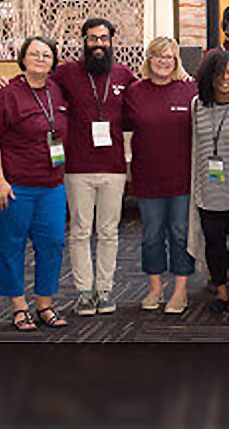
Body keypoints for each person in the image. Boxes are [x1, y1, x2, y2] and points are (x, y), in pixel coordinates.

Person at [0, 36, 69, 331]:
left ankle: (45, 304)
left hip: (51, 184)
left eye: (46, 54)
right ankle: (19, 306)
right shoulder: (4, 93)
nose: (41, 59)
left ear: (54, 61)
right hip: (12, 185)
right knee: (12, 244)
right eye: (34, 53)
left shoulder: (58, 90)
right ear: (23, 58)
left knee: (52, 243)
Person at [53, 18, 137, 316]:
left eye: (104, 38)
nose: (98, 44)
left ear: (112, 41)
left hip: (113, 166)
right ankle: (84, 292)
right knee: (79, 231)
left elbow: (148, 96)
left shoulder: (124, 74)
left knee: (108, 232)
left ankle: (105, 289)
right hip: (76, 166)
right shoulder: (66, 73)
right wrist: (6, 83)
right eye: (93, 39)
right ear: (84, 41)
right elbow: (35, 83)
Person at [123, 37, 198, 314]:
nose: (164, 61)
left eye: (169, 56)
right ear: (149, 59)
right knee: (151, 235)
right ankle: (155, 289)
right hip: (148, 177)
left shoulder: (191, 90)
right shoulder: (134, 92)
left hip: (182, 178)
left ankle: (180, 291)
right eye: (158, 56)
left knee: (180, 234)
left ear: (176, 60)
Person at [190, 50, 229, 314]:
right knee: (214, 243)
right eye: (219, 73)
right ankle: (219, 286)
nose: (225, 78)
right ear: (209, 76)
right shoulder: (197, 104)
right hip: (207, 189)